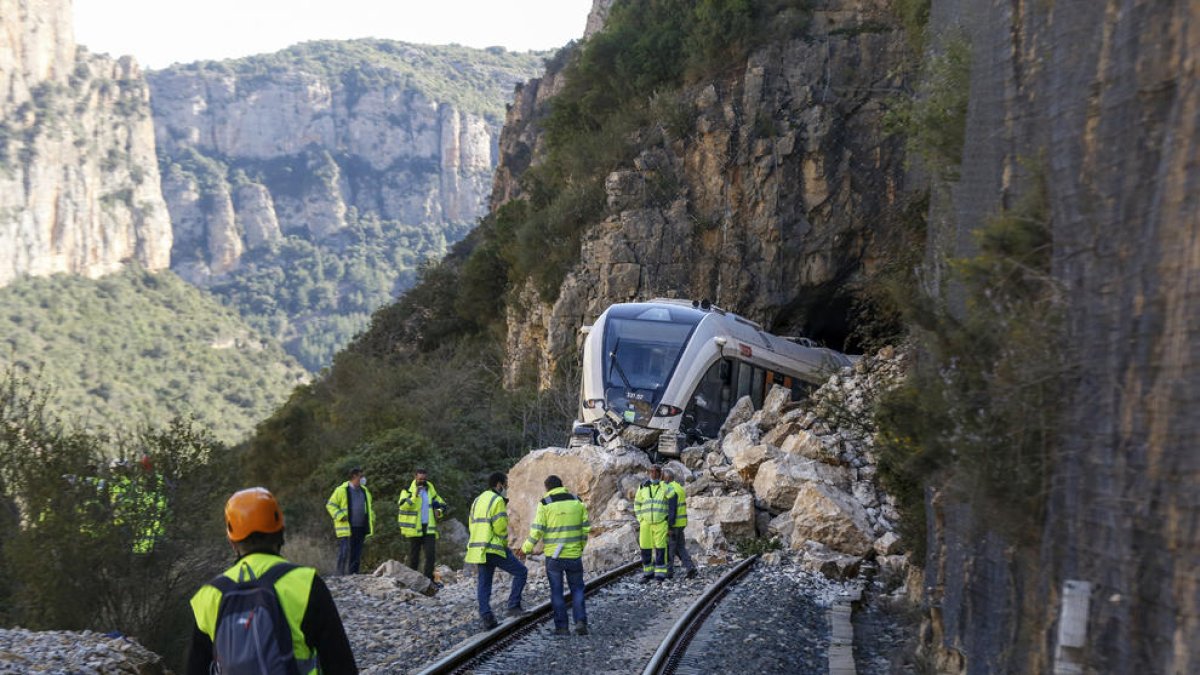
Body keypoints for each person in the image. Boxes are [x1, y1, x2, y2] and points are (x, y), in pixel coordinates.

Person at [187, 487, 357, 674]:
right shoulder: (305, 583)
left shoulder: (208, 596)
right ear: (281, 532)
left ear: (232, 542)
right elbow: (340, 663)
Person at [520, 475, 591, 635]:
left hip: (554, 557)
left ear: (547, 488)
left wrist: (526, 548)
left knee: (557, 592)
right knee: (577, 589)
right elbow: (585, 528)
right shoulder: (576, 501)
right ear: (561, 485)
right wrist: (580, 547)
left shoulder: (545, 503)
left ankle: (562, 627)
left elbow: (537, 530)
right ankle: (580, 621)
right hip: (573, 554)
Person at [466, 472, 528, 630]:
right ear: (499, 484)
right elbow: (500, 527)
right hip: (494, 547)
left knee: (484, 583)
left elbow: (472, 523)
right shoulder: (497, 500)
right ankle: (513, 605)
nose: (506, 488)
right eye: (505, 485)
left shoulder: (477, 500)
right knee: (521, 572)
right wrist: (503, 542)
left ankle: (487, 617)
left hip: (479, 548)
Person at [397, 469, 447, 581]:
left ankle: (428, 581)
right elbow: (403, 506)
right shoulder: (407, 490)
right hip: (414, 529)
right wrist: (415, 496)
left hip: (429, 528)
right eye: (420, 479)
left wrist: (439, 510)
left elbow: (442, 504)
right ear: (415, 477)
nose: (422, 481)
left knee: (430, 555)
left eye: (424, 479)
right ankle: (412, 580)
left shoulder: (430, 489)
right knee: (414, 557)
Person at [326, 467, 375, 575]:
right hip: (347, 527)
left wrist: (371, 519)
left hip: (361, 527)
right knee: (345, 552)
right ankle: (340, 575)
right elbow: (330, 505)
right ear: (354, 476)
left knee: (357, 553)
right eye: (361, 476)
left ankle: (353, 575)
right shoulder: (342, 490)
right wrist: (340, 516)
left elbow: (369, 508)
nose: (363, 479)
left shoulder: (364, 491)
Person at [634, 464, 669, 582]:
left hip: (660, 523)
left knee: (660, 549)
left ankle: (660, 574)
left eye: (657, 472)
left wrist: (663, 484)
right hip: (645, 523)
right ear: (649, 473)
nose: (654, 474)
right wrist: (640, 519)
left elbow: (671, 497)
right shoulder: (643, 487)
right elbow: (637, 503)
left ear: (661, 474)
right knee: (645, 548)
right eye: (652, 472)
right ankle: (648, 573)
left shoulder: (664, 486)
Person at [662, 468, 697, 579]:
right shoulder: (678, 487)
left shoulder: (671, 489)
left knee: (670, 549)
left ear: (667, 478)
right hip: (681, 523)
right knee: (680, 547)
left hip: (674, 524)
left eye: (663, 477)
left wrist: (669, 526)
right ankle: (690, 567)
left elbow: (672, 509)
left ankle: (669, 573)